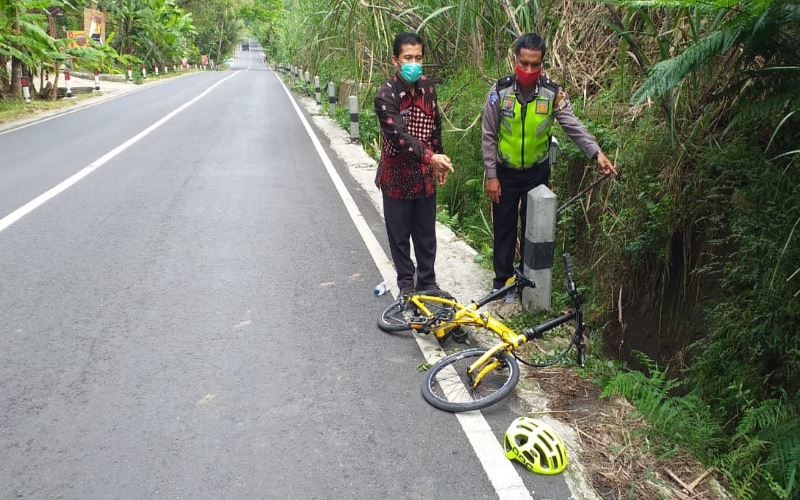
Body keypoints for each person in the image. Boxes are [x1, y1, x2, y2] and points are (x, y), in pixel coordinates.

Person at [482, 32, 616, 298]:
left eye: (535, 64)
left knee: (535, 228)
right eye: (524, 63)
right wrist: (491, 175)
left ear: (542, 64)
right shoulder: (500, 91)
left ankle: (528, 284)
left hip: (537, 172)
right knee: (504, 228)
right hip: (505, 172)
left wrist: (596, 153)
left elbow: (572, 125)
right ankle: (502, 283)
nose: (529, 70)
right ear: (515, 61)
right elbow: (488, 133)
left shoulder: (552, 93)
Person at [374, 32, 453, 296]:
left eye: (418, 58)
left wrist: (438, 159)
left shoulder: (428, 88)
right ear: (395, 60)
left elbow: (435, 126)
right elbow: (399, 138)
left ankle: (427, 282)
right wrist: (432, 158)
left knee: (426, 236)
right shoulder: (385, 95)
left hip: (424, 176)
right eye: (408, 57)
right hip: (396, 177)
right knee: (399, 236)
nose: (413, 63)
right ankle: (406, 286)